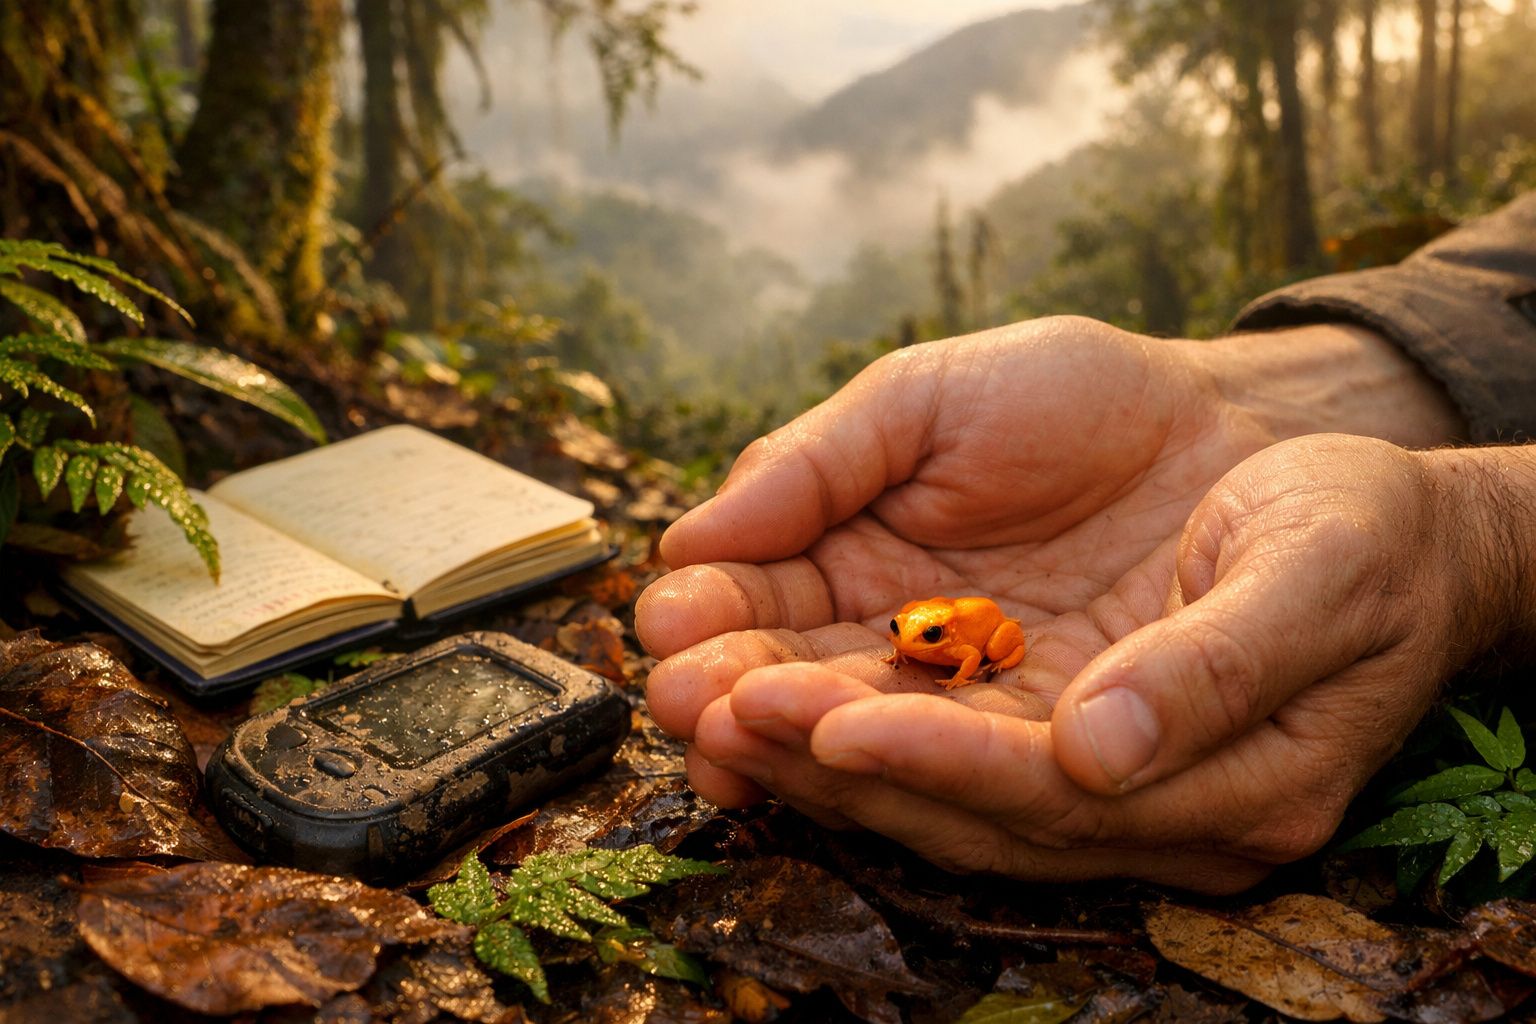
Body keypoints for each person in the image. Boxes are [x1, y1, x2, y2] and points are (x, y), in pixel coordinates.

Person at [634, 193, 1536, 893]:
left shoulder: (963, 641)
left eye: (924, 638)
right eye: (911, 632)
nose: (913, 639)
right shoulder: (920, 625)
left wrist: (1485, 531)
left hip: (994, 638)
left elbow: (988, 643)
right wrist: (1248, 396)